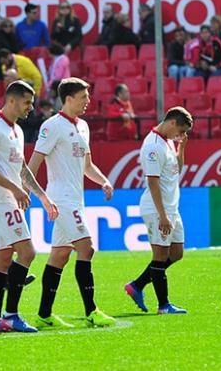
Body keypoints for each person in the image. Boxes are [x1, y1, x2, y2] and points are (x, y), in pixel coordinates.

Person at [28, 78, 117, 329]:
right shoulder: (52, 126)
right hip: (61, 200)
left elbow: (87, 166)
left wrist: (104, 181)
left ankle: (44, 314)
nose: (88, 101)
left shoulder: (83, 126)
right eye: (83, 97)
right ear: (68, 99)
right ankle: (92, 311)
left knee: (60, 255)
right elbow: (32, 165)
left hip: (76, 200)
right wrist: (39, 196)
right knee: (86, 248)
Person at [0, 80, 58, 333]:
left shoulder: (17, 131)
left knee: (2, 258)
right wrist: (13, 189)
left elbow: (22, 169)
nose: (31, 107)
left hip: (9, 199)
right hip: (0, 199)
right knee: (27, 253)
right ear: (11, 100)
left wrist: (43, 196)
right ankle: (11, 316)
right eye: (27, 102)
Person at [124, 107, 193, 315]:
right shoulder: (153, 146)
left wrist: (181, 148)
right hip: (157, 209)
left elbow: (176, 170)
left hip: (172, 207)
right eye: (180, 131)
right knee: (160, 255)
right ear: (171, 122)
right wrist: (162, 215)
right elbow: (153, 182)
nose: (180, 136)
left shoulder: (168, 142)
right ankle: (163, 305)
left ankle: (137, 285)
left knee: (177, 253)